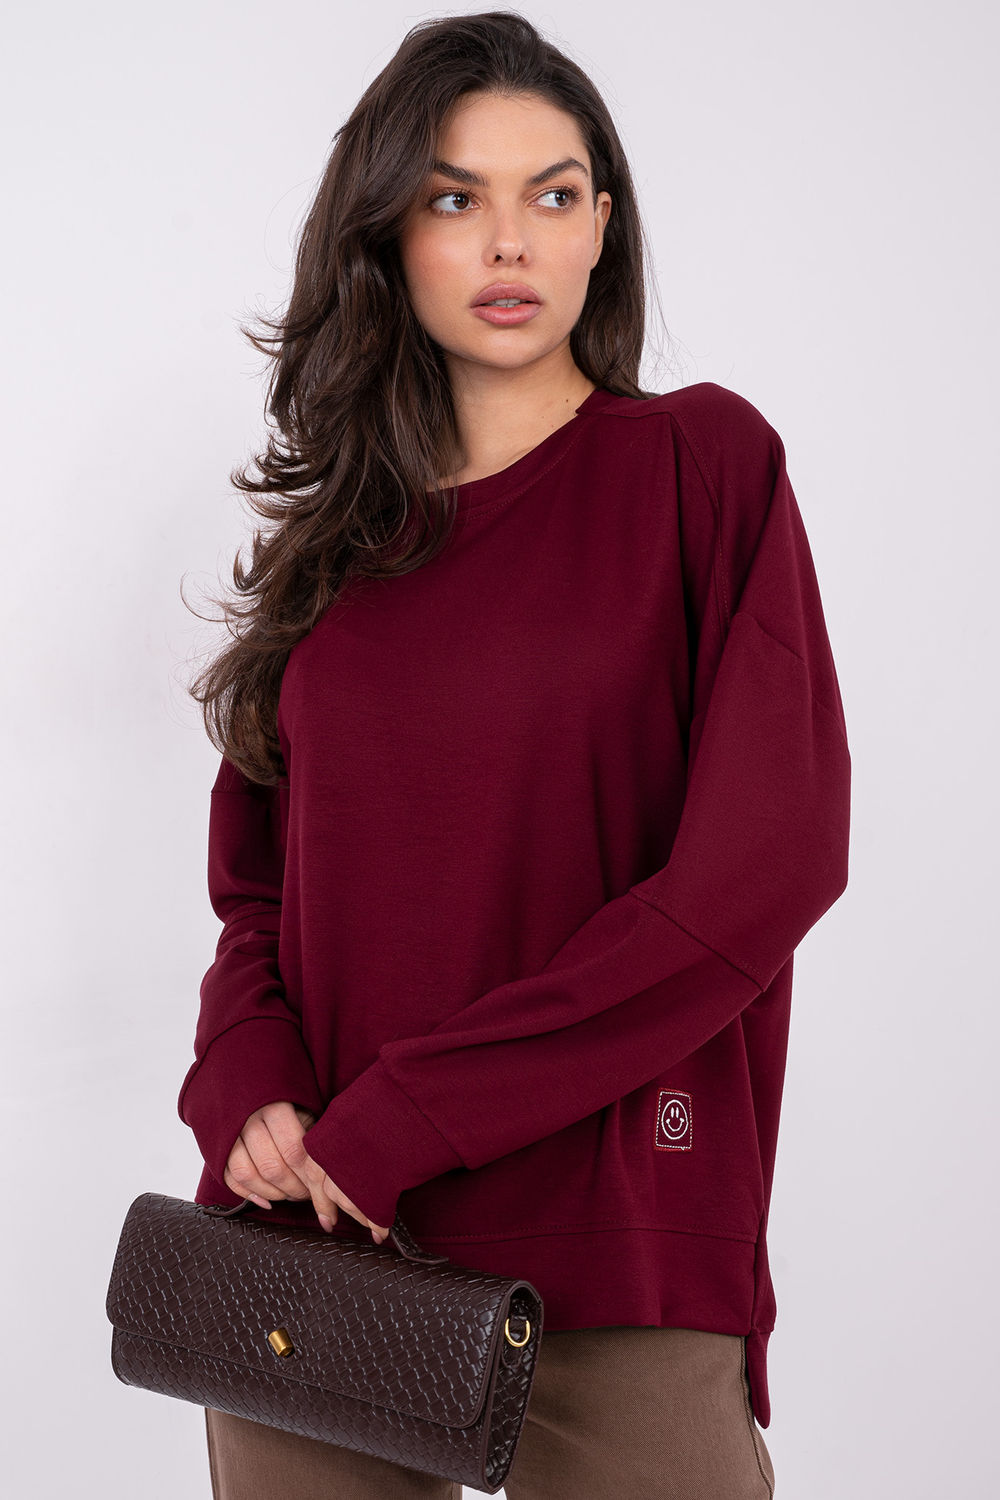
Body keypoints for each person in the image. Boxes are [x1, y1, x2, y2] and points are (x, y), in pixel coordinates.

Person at [177, 11, 851, 1498]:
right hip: (317, 1234)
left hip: (609, 1234)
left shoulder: (701, 471)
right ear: (387, 232)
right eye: (453, 196)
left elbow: (763, 869)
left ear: (603, 226)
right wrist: (249, 1084)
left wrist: (416, 1113)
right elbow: (258, 897)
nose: (509, 241)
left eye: (553, 194)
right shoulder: (330, 552)